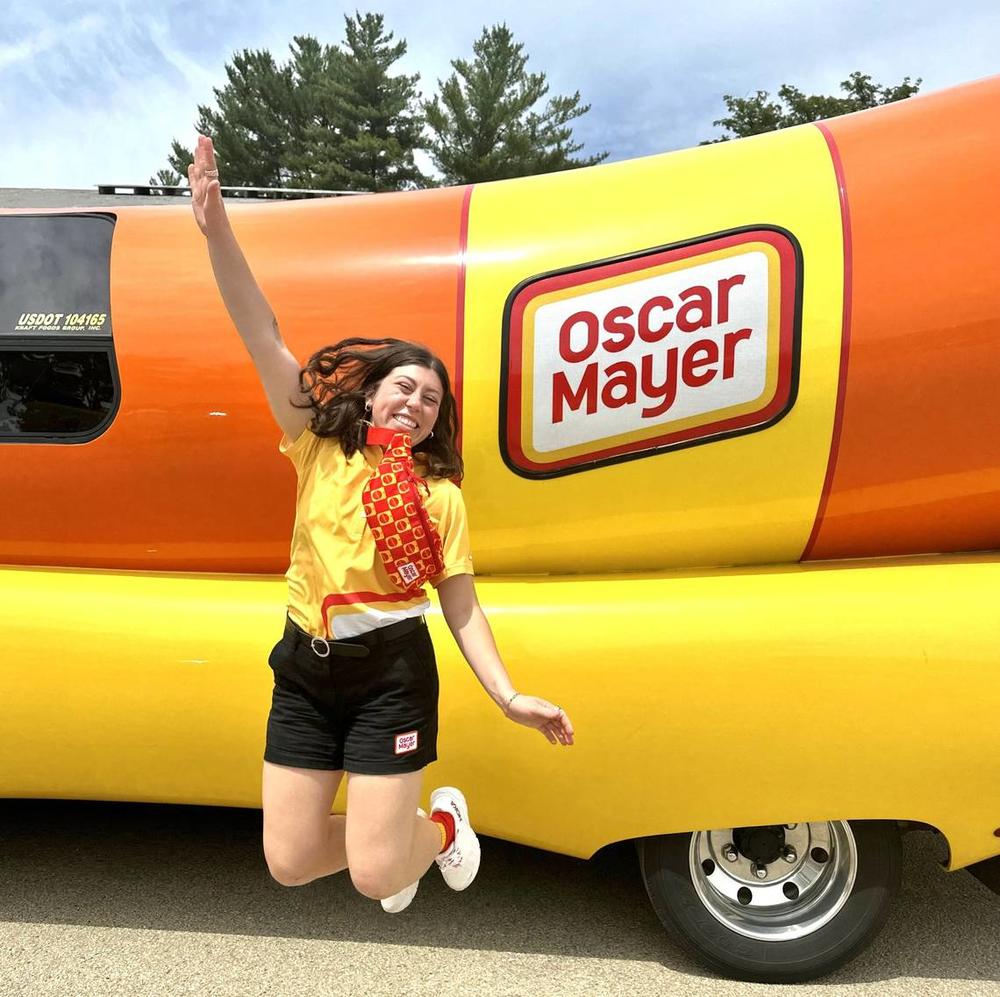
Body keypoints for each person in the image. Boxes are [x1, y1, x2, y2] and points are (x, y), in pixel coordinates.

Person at [187, 135, 575, 913]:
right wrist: (215, 229)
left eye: (431, 399)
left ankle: (438, 827)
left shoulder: (440, 497)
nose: (416, 402)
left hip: (391, 676)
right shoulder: (317, 444)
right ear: (370, 395)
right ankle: (404, 846)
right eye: (404, 386)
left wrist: (507, 696)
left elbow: (458, 604)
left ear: (437, 423)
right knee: (291, 863)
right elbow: (261, 332)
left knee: (374, 875)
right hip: (304, 667)